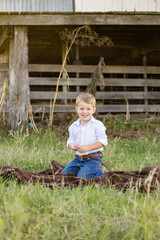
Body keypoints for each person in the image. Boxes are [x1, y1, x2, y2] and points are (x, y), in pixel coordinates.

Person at [61, 92, 108, 179]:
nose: (85, 112)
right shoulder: (73, 126)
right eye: (82, 109)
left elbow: (103, 141)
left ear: (93, 110)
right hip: (78, 159)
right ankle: (86, 169)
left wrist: (88, 147)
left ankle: (100, 172)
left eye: (88, 109)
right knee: (63, 176)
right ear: (77, 109)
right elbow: (71, 140)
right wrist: (71, 146)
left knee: (81, 179)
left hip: (93, 159)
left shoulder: (97, 125)